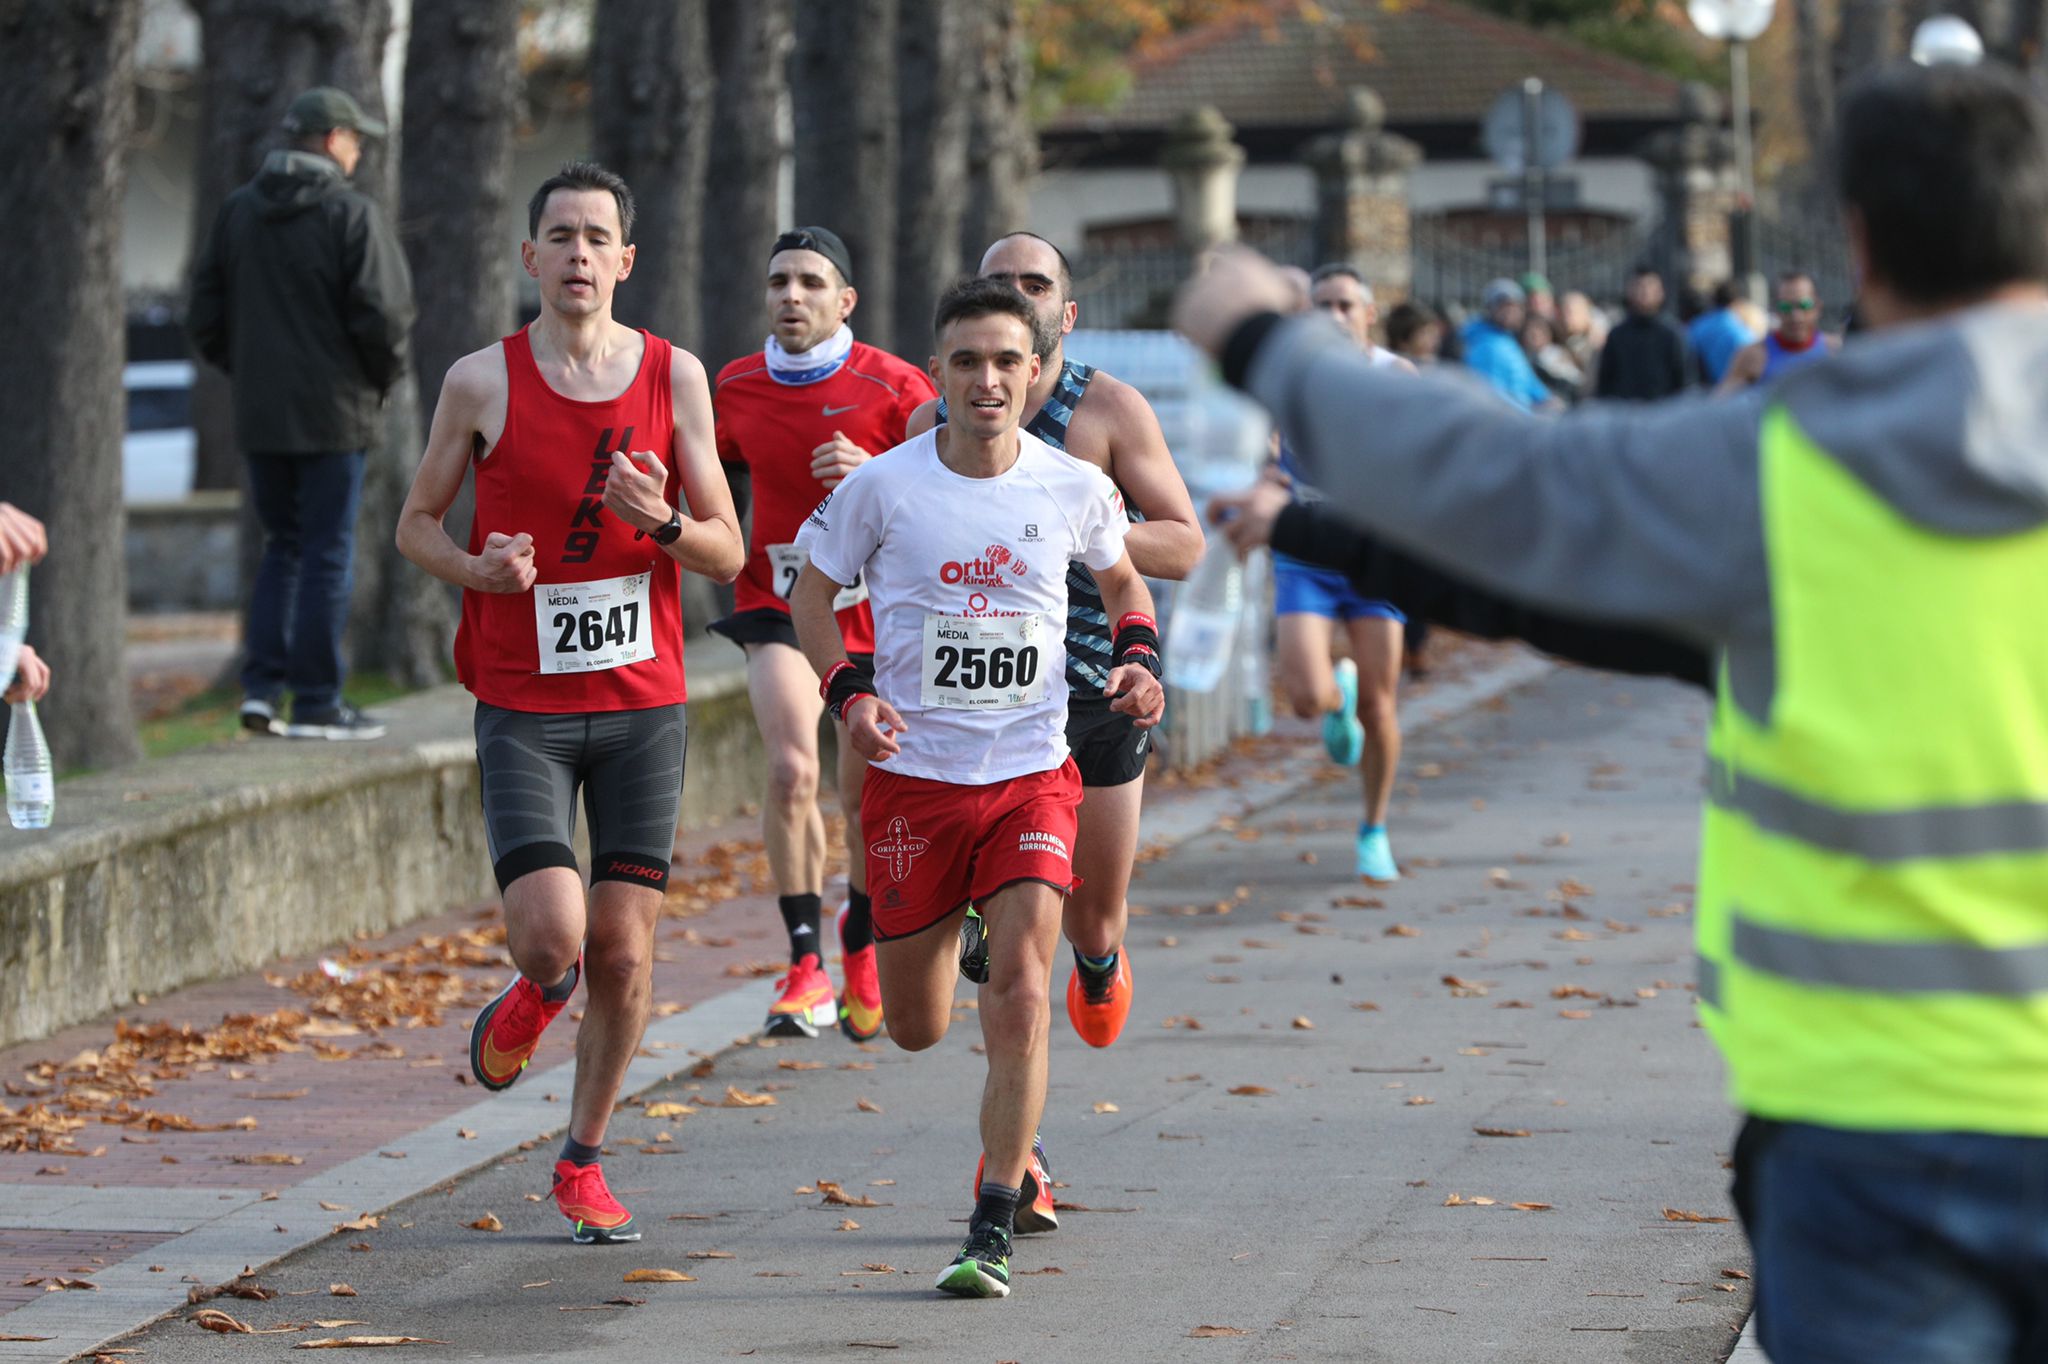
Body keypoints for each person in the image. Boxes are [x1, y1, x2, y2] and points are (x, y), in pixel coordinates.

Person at [1175, 61, 2048, 1364]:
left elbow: (1504, 498)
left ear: (1856, 238)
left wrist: (1264, 339)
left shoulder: (1783, 472)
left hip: (1875, 1136)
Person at [792, 277, 1165, 1298]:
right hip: (913, 785)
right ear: (938, 373)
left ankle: (993, 1216)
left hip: (1030, 780)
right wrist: (847, 693)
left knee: (1021, 995)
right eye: (967, 361)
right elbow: (809, 592)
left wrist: (1135, 658)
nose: (988, 379)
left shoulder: (1070, 484)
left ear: (1035, 371)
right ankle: (941, 926)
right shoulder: (885, 486)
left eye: (1007, 360)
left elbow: (1124, 576)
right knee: (914, 1026)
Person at [395, 162, 743, 1245]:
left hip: (643, 704)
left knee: (628, 953)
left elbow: (729, 548)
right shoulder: (479, 382)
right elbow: (414, 522)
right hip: (524, 702)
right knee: (555, 935)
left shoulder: (675, 376)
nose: (580, 253)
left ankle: (583, 1157)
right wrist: (476, 571)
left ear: (625, 261)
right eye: (561, 235)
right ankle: (538, 991)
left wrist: (664, 523)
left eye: (599, 237)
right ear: (530, 258)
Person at [904, 232, 1202, 1052]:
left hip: (1095, 684)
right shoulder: (933, 417)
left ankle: (1101, 961)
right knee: (1015, 957)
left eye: (1033, 283)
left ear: (1064, 313)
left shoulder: (1106, 409)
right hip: (980, 695)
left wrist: (1077, 525)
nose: (1016, 292)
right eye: (997, 280)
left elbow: (1183, 543)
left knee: (1093, 913)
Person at [709, 227, 936, 1043]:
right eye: (778, 282)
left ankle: (862, 941)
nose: (791, 296)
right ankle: (805, 963)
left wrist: (874, 466)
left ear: (844, 301)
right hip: (776, 601)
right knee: (790, 769)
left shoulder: (894, 384)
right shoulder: (731, 387)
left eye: (810, 282)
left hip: (872, 616)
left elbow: (944, 494)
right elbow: (706, 478)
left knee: (861, 796)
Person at [188, 87, 415, 741]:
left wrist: (253, 376)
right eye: (355, 138)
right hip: (334, 415)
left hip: (263, 417)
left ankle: (261, 691)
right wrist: (381, 379)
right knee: (325, 553)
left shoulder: (238, 212)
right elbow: (385, 317)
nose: (360, 150)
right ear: (331, 139)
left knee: (281, 550)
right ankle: (317, 700)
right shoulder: (351, 213)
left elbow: (204, 316)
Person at [1269, 263, 1412, 880]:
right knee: (1303, 695)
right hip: (1307, 553)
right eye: (1322, 304)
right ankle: (1334, 698)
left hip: (1377, 556)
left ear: (1368, 314)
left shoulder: (1394, 376)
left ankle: (1373, 828)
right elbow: (1265, 450)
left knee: (1381, 706)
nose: (1334, 314)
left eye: (1346, 304)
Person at [1717, 271, 1838, 393]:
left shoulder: (1835, 349)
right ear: (1774, 310)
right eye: (1785, 307)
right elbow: (1721, 404)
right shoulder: (1753, 355)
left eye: (1804, 305)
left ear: (1818, 307)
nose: (1796, 316)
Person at [1595, 266, 1694, 400]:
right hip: (1625, 413)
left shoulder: (1673, 333)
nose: (1644, 292)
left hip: (1666, 413)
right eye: (1638, 286)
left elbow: (1686, 381)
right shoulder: (1617, 335)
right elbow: (1605, 382)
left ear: (1660, 291)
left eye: (1649, 287)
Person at [1458, 279, 1554, 411]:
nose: (1511, 312)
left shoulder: (1507, 339)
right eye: (1503, 306)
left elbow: (1527, 381)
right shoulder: (1486, 346)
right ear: (1489, 308)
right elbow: (1493, 398)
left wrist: (1547, 399)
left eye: (1516, 306)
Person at [1688, 280, 1761, 386]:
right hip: (1734, 392)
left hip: (1703, 392)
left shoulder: (1697, 326)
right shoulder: (1742, 332)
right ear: (1737, 302)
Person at [1522, 313, 1585, 404]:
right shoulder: (1522, 357)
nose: (1535, 336)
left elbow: (1575, 381)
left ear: (1549, 334)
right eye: (1531, 332)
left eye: (1540, 332)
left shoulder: (1559, 355)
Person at [1383, 302, 1443, 369]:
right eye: (1424, 333)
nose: (1432, 340)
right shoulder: (1396, 368)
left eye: (1433, 333)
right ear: (1403, 342)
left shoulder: (1432, 367)